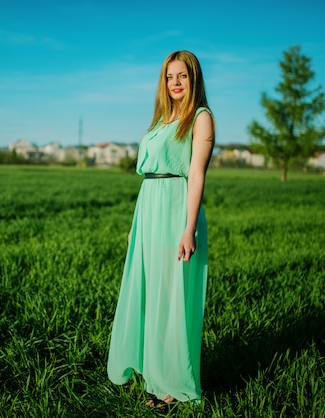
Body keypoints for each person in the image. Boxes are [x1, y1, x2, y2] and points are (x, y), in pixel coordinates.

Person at [107, 50, 215, 410]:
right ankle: (150, 365)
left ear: (193, 78)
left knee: (171, 297)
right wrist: (136, 227)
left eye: (182, 76)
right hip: (149, 208)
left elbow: (196, 174)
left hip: (174, 209)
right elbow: (149, 172)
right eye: (170, 77)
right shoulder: (161, 120)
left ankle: (171, 382)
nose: (175, 83)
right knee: (149, 293)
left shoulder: (201, 118)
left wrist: (188, 228)